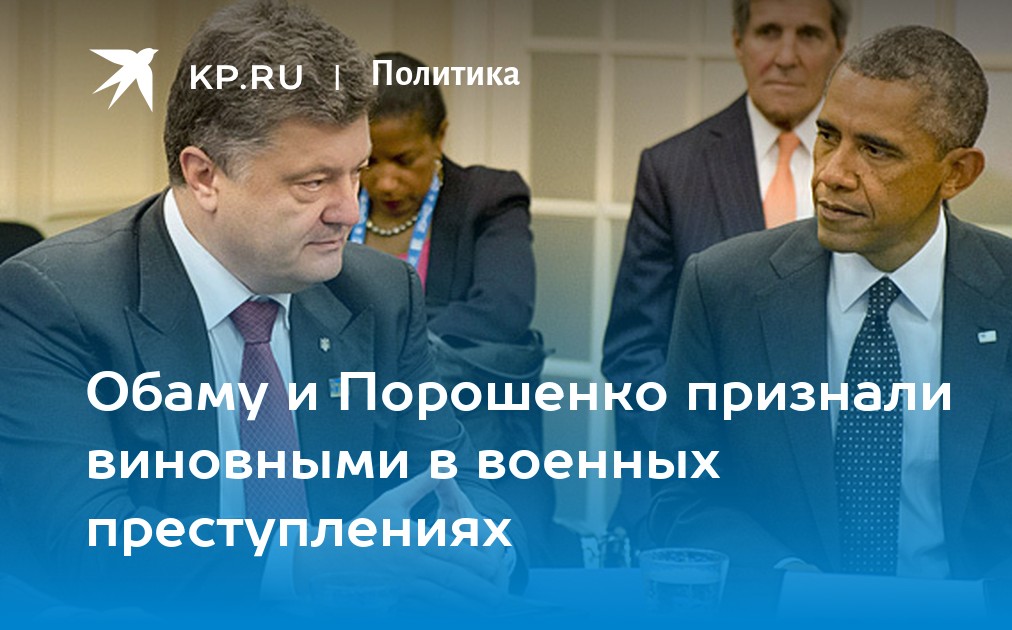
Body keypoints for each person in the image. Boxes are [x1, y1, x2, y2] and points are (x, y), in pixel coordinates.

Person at [0, 0, 524, 612]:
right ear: (204, 176)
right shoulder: (53, 300)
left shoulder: (381, 294)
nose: (349, 210)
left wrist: (483, 548)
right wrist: (305, 568)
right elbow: (84, 542)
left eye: (354, 172)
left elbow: (462, 485)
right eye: (313, 182)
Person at [652, 25, 1012, 580]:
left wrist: (982, 607)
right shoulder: (723, 288)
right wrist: (790, 585)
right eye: (828, 136)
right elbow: (681, 498)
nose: (831, 174)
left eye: (875, 150)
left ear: (956, 173)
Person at [603, 0, 849, 552]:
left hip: (844, 486)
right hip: (707, 488)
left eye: (809, 34)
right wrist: (695, 458)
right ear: (738, 41)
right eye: (768, 32)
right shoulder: (672, 167)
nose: (786, 56)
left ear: (839, 47)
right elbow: (635, 351)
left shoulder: (875, 171)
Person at [356, 52, 566, 566]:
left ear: (441, 136)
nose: (386, 182)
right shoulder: (333, 203)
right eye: (369, 161)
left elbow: (501, 312)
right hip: (360, 451)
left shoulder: (488, 198)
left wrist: (377, 354)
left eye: (404, 160)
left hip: (480, 447)